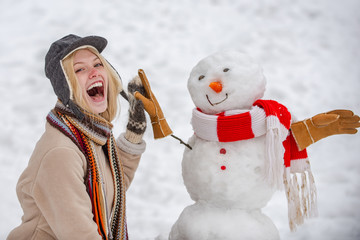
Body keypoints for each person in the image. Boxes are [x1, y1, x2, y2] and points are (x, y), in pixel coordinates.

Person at [7, 34, 147, 240]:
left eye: (98, 64)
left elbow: (108, 191)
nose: (93, 73)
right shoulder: (61, 153)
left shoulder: (90, 136)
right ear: (66, 85)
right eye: (79, 69)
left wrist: (133, 136)